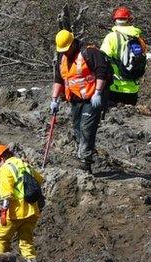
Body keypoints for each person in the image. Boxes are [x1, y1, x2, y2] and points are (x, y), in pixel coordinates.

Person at [50, 29, 110, 173]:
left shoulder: (89, 52)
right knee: (77, 128)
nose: (65, 52)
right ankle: (84, 153)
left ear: (72, 43)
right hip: (75, 100)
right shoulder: (62, 58)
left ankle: (85, 161)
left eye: (67, 49)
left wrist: (98, 93)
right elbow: (59, 79)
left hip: (92, 98)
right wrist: (54, 99)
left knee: (86, 128)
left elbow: (101, 72)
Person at [0, 145, 44, 262]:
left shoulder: (5, 168)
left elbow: (7, 194)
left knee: (2, 237)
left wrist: (4, 212)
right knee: (26, 241)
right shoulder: (23, 164)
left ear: (2, 159)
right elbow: (39, 180)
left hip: (16, 211)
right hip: (32, 210)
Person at [100, 6, 147, 106]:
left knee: (112, 118)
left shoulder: (111, 37)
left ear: (115, 21)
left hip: (114, 87)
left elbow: (102, 59)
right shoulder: (138, 38)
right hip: (133, 89)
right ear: (129, 20)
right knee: (130, 118)